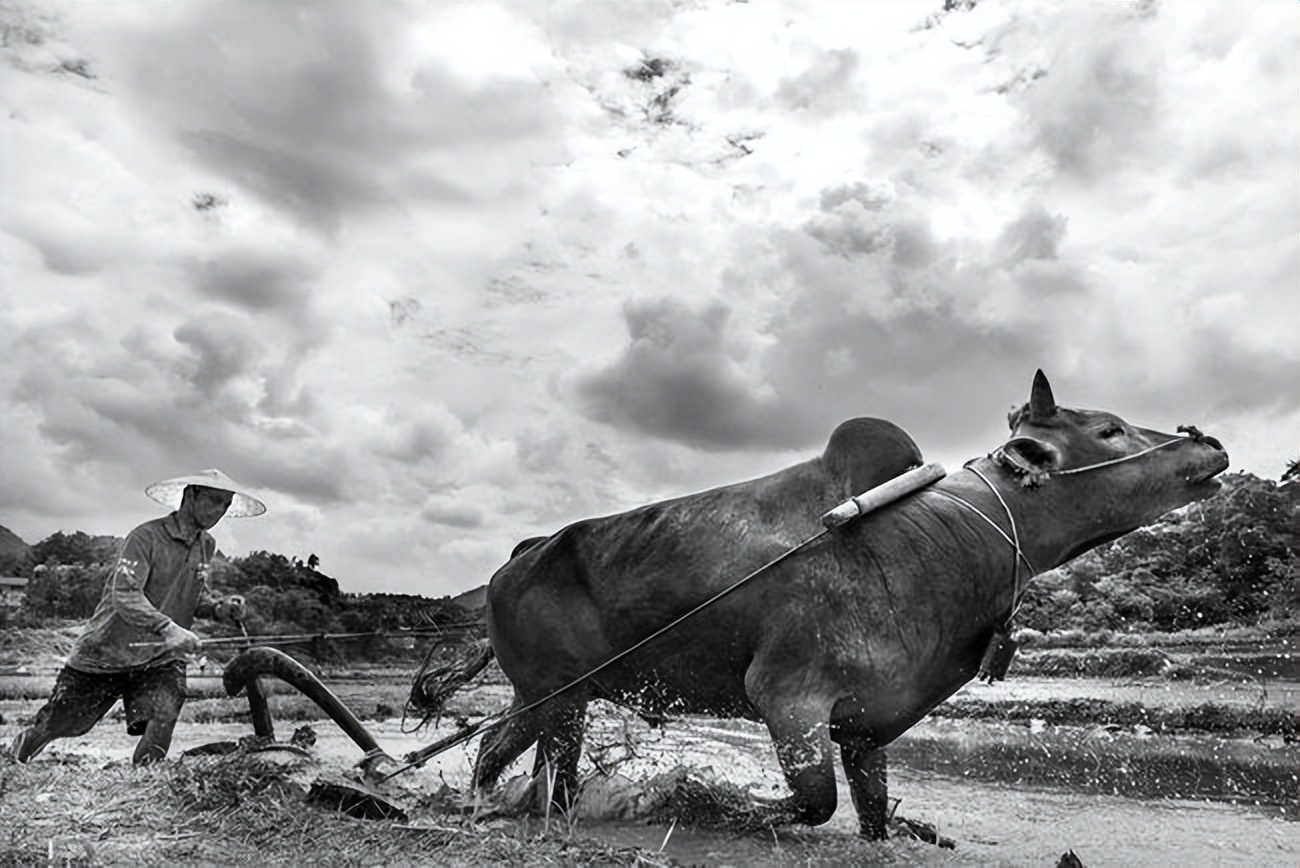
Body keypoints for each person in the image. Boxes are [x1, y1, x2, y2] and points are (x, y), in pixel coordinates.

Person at [9, 469, 266, 765]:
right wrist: (168, 627)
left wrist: (220, 607)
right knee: (63, 724)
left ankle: (144, 779)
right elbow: (126, 595)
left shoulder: (206, 545)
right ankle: (14, 761)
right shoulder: (145, 537)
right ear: (190, 495)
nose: (220, 510)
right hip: (107, 652)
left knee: (164, 710)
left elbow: (195, 595)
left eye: (226, 504)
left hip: (160, 656)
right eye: (214, 500)